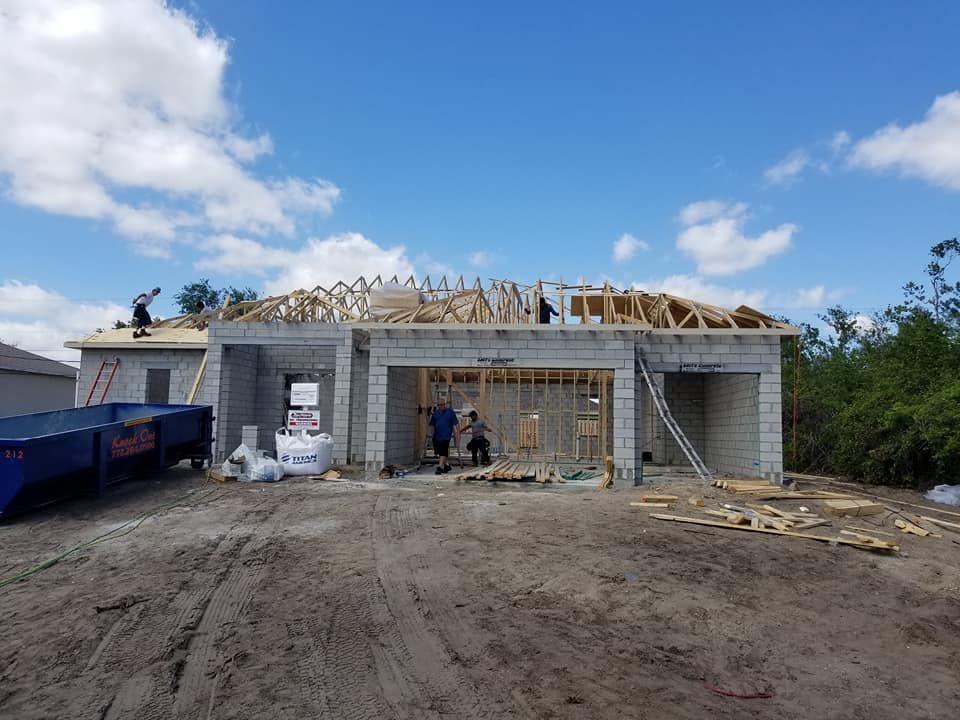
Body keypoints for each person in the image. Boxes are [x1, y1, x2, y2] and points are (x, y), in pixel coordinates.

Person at [428, 398, 459, 474]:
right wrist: (432, 435)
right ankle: (447, 465)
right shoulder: (435, 414)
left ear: (445, 404)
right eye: (439, 405)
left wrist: (457, 437)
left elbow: (456, 424)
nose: (440, 406)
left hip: (446, 436)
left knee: (443, 451)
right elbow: (432, 425)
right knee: (439, 452)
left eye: (442, 405)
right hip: (437, 436)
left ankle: (440, 467)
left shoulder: (450, 412)